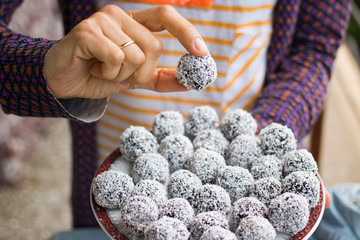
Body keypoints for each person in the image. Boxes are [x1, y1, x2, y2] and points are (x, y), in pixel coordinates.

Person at [0, 0, 351, 239]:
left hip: (253, 173)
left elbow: (314, 46)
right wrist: (42, 70)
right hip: (116, 169)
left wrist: (265, 132)